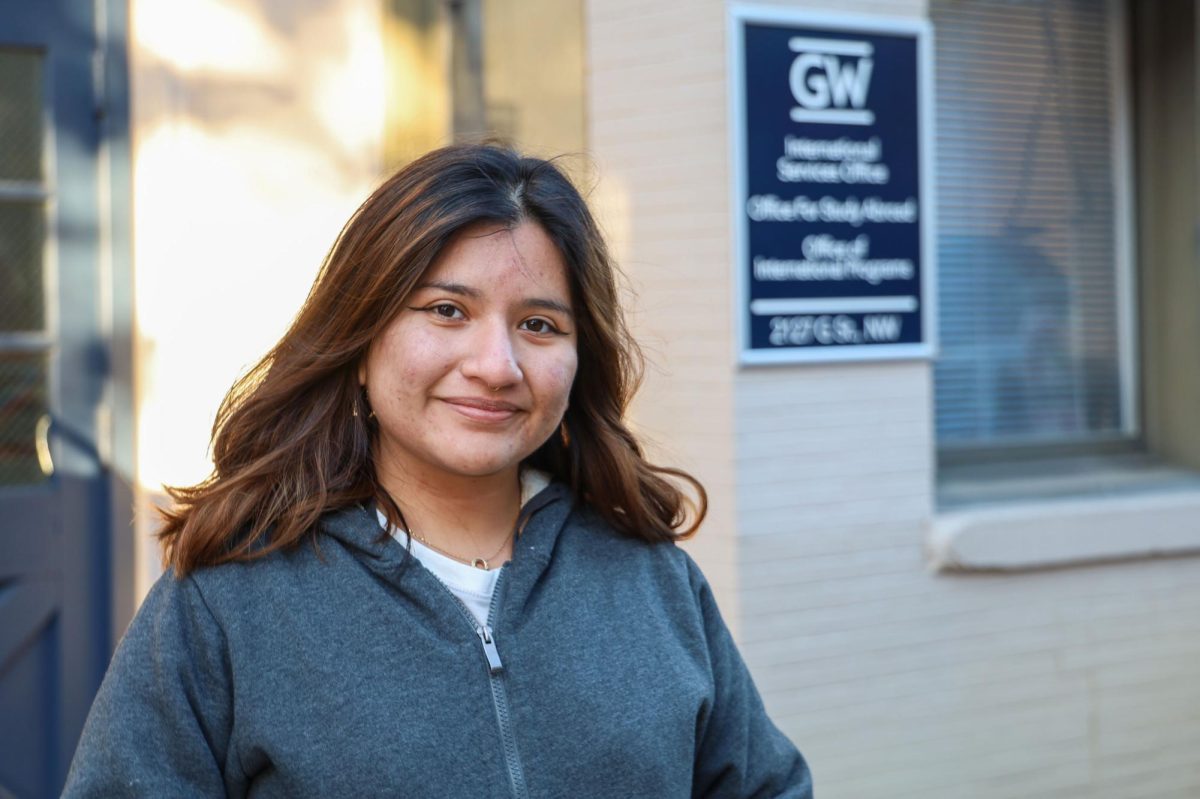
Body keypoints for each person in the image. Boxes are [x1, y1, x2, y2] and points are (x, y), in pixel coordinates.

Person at [63, 144, 813, 798]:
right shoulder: (228, 602)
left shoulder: (652, 582)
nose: (497, 365)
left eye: (539, 324)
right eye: (447, 310)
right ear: (359, 342)